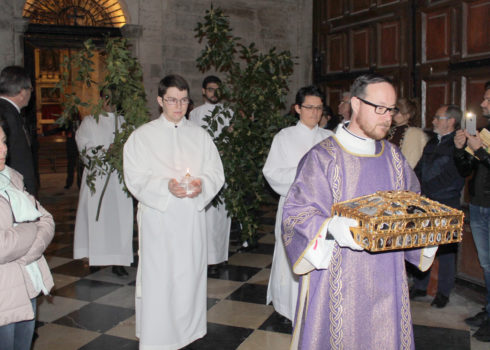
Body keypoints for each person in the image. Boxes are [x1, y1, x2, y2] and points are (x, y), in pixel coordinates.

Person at [282, 74, 437, 349]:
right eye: (379, 108)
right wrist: (330, 227)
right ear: (355, 103)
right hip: (338, 278)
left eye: (391, 109)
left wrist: (427, 229)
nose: (387, 116)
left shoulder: (394, 158)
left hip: (388, 275)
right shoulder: (323, 157)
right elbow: (296, 214)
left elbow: (413, 205)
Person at [123, 74, 224, 349]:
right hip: (159, 220)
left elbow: (216, 172)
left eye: (183, 101)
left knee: (189, 276)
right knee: (160, 279)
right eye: (171, 100)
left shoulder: (200, 135)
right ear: (160, 100)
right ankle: (158, 336)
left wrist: (202, 184)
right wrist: (164, 187)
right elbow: (134, 177)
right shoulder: (142, 137)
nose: (178, 106)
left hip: (190, 218)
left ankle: (188, 332)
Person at [263, 85, 333, 322]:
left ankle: (316, 310)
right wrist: (305, 174)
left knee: (319, 257)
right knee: (290, 258)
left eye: (319, 108)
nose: (315, 113)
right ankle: (288, 309)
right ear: (297, 108)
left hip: (322, 211)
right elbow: (272, 172)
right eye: (309, 107)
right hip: (294, 207)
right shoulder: (284, 137)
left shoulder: (330, 138)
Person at [0, 120, 55, 350]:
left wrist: (26, 256)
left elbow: (47, 220)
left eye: (3, 141)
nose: (4, 149)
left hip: (27, 281)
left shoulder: (13, 177)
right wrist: (30, 227)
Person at [73, 91, 133, 277]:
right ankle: (95, 257)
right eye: (106, 97)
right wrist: (105, 151)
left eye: (113, 97)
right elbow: (83, 145)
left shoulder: (125, 123)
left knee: (119, 219)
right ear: (100, 99)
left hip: (118, 179)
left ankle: (118, 260)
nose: (110, 101)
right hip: (97, 179)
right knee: (96, 218)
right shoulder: (90, 121)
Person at [410, 105, 465, 308]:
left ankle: (443, 293)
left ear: (450, 121)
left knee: (445, 250)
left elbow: (454, 174)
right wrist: (415, 184)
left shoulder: (458, 145)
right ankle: (420, 285)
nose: (432, 121)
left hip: (446, 202)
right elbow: (420, 167)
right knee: (422, 244)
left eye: (437, 117)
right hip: (425, 201)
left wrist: (428, 188)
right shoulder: (433, 141)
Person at [454, 81, 490, 342]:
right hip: (479, 205)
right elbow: (466, 169)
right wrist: (460, 148)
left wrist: (482, 152)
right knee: (487, 266)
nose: (484, 104)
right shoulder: (486, 132)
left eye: (488, 99)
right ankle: (489, 312)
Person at [189, 75, 231, 267]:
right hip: (205, 169)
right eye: (210, 89)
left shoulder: (228, 112)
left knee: (223, 215)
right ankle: (206, 258)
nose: (214, 93)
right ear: (204, 91)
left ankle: (221, 256)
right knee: (207, 215)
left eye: (217, 89)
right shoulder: (195, 114)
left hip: (225, 167)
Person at [0, 66, 37, 196]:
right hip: (13, 192)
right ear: (22, 92)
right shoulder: (6, 115)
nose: (31, 94)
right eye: (31, 89)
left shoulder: (9, 111)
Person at [387, 98, 429, 168]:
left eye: (397, 111)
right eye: (393, 110)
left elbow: (412, 162)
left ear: (407, 115)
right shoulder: (390, 130)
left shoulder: (415, 134)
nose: (393, 114)